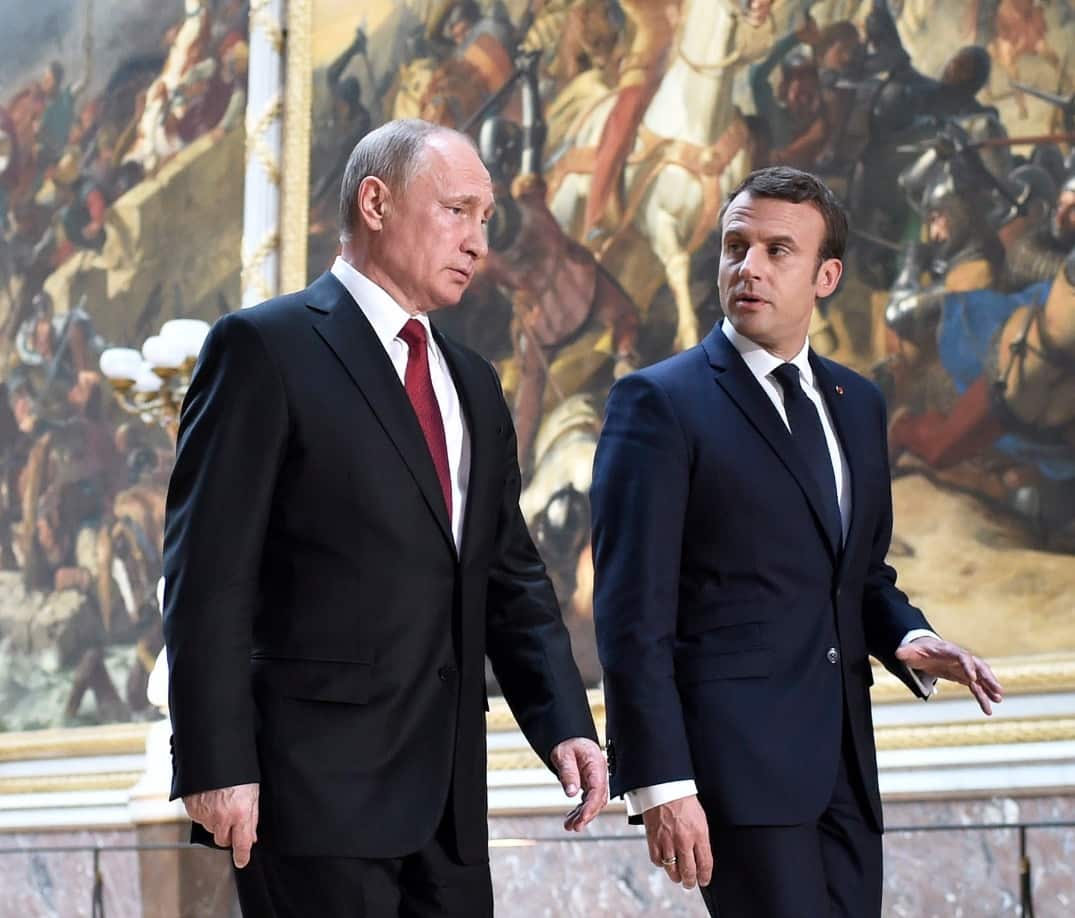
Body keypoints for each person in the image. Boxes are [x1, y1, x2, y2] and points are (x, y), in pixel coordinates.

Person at [163, 119, 607, 918]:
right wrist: (214, 763)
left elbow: (507, 572)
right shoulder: (263, 348)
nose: (478, 242)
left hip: (446, 803)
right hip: (309, 794)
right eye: (458, 210)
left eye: (486, 219)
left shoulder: (473, 382)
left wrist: (563, 720)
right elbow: (207, 580)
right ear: (375, 202)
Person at [590, 166, 1004, 918]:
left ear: (825, 276)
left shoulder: (856, 402)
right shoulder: (658, 402)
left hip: (844, 765)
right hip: (734, 775)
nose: (748, 266)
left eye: (777, 250)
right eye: (734, 246)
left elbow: (857, 575)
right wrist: (662, 785)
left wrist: (907, 635)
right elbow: (629, 615)